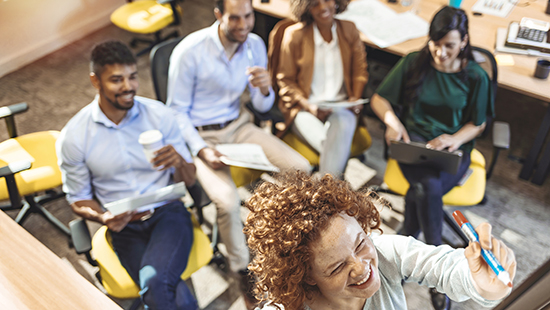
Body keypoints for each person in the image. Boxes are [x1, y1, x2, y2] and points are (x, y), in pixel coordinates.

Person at [166, 0, 311, 302]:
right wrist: (201, 149)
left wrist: (264, 89)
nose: (243, 24)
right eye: (235, 18)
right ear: (218, 14)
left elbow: (260, 107)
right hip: (202, 135)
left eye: (248, 16)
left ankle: (285, 240)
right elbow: (176, 112)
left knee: (301, 168)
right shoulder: (190, 52)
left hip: (239, 125)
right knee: (228, 203)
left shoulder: (254, 44)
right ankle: (242, 270)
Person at [57, 41, 198, 310]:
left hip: (167, 213)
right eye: (116, 80)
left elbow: (189, 180)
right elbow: (78, 199)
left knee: (156, 283)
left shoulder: (159, 115)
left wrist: (180, 162)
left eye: (133, 77)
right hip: (123, 227)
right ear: (95, 81)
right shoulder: (74, 136)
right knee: (171, 293)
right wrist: (102, 217)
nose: (128, 87)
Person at [244, 171, 516, 310]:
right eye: (337, 267)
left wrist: (484, 285)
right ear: (306, 276)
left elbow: (447, 268)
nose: (362, 268)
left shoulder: (387, 253)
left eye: (361, 244)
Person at [371, 2, 491, 279]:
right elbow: (379, 98)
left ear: (464, 41)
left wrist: (455, 138)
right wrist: (392, 122)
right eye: (435, 43)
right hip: (413, 143)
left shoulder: (476, 76)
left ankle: (408, 235)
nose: (440, 52)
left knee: (424, 191)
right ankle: (438, 263)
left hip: (452, 149)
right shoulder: (415, 61)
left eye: (449, 45)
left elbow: (479, 122)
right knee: (428, 186)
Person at [276, 0, 368, 177]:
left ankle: (323, 192)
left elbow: (360, 71)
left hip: (341, 107)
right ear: (306, 7)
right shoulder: (294, 35)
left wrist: (355, 98)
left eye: (327, 0)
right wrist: (309, 106)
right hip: (304, 108)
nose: (323, 7)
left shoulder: (349, 30)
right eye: (315, 3)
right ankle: (333, 192)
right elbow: (285, 81)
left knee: (341, 129)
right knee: (336, 146)